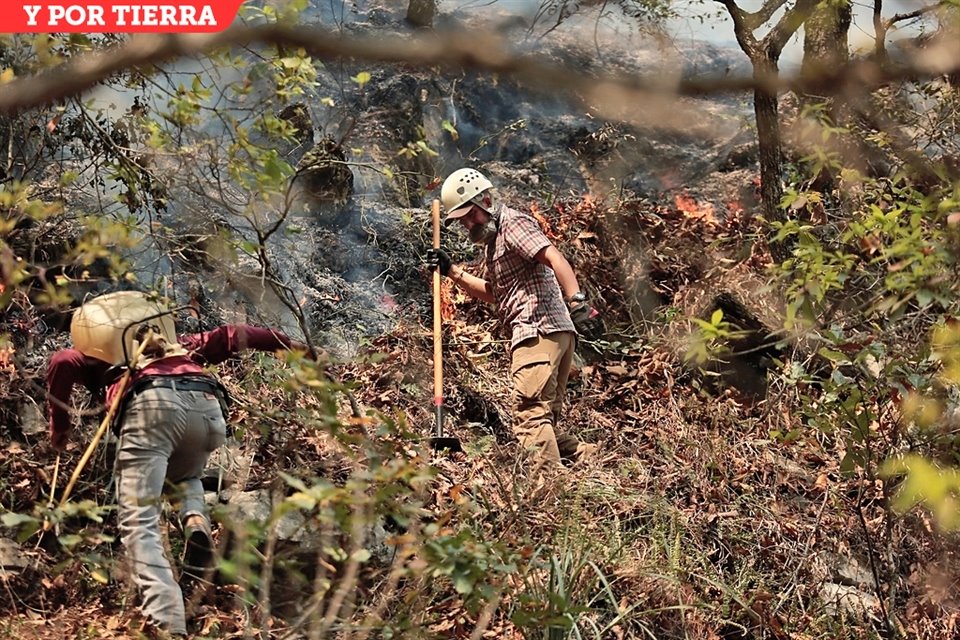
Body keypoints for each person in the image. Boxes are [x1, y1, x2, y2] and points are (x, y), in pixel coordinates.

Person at [46, 291, 318, 638]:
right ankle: (194, 520)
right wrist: (295, 346)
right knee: (185, 474)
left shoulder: (96, 356)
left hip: (152, 405)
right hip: (207, 407)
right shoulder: (180, 346)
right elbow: (233, 335)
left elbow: (61, 362)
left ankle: (168, 621)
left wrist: (60, 430)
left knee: (138, 520)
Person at [426, 168, 603, 469]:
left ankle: (552, 491)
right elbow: (497, 293)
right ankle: (592, 460)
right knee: (542, 418)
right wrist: (451, 271)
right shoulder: (496, 242)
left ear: (486, 199)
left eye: (471, 214)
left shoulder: (512, 224)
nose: (469, 224)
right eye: (462, 220)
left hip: (537, 330)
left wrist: (577, 300)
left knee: (530, 417)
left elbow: (553, 257)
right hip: (552, 333)